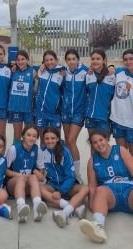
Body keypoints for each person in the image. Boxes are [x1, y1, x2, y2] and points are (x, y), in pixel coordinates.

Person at [37, 128, 89, 228]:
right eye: (47, 138)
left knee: (85, 188)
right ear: (43, 140)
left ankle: (64, 212)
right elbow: (40, 169)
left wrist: (60, 192)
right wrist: (38, 173)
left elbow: (70, 176)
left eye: (53, 138)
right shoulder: (42, 151)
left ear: (57, 139)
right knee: (38, 189)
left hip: (68, 186)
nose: (50, 141)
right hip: (52, 185)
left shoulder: (64, 151)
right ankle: (73, 207)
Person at [5, 125, 48, 223]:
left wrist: (38, 173)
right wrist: (20, 176)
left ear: (37, 138)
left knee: (33, 177)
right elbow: (5, 170)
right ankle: (21, 207)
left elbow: (41, 169)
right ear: (23, 136)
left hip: (29, 184)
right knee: (22, 179)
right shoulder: (14, 149)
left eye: (34, 136)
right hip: (13, 184)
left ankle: (37, 207)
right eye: (28, 135)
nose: (31, 138)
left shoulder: (37, 149)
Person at [61, 49, 88, 183]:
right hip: (65, 112)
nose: (71, 61)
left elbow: (102, 69)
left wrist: (111, 67)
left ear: (78, 59)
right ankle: (68, 171)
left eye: (73, 59)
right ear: (66, 61)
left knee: (71, 140)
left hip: (78, 111)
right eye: (69, 59)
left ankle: (77, 174)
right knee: (66, 142)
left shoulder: (85, 71)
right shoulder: (63, 71)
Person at [84, 48, 115, 142]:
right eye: (93, 59)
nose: (95, 61)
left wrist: (112, 67)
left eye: (98, 59)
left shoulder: (112, 75)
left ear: (104, 60)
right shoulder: (89, 75)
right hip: (91, 117)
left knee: (103, 146)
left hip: (105, 118)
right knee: (94, 145)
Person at [7, 50, 36, 144]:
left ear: (27, 60)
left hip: (28, 108)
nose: (20, 62)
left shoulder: (33, 71)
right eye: (18, 60)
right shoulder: (13, 71)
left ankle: (29, 156)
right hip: (16, 108)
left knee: (29, 136)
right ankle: (16, 156)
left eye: (22, 59)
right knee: (17, 136)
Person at [35, 50, 64, 136]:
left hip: (55, 112)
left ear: (56, 60)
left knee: (55, 140)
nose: (49, 62)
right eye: (46, 60)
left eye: (51, 59)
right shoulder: (41, 71)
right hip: (41, 111)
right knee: (43, 141)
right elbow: (26, 67)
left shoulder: (62, 72)